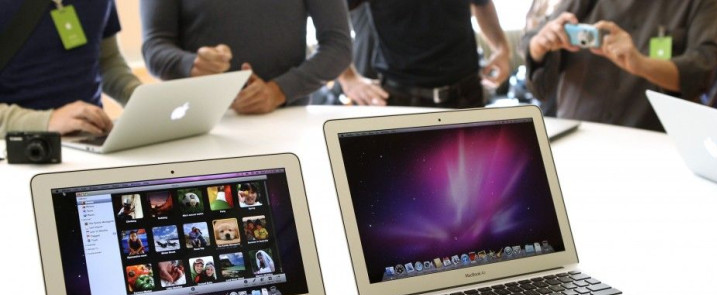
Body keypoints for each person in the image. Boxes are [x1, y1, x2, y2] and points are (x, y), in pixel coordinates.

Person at [522, 0, 717, 130]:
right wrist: (539, 46)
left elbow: (702, 69)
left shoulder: (700, 4)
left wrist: (642, 64)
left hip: (650, 141)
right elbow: (539, 77)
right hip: (579, 133)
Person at [140, 0, 352, 114]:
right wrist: (190, 64)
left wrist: (278, 91)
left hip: (287, 119)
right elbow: (154, 47)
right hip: (201, 123)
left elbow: (338, 46)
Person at [0, 0, 141, 138]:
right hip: (18, 146)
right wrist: (47, 121)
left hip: (90, 140)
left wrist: (138, 95)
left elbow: (107, 61)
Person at [337, 0, 511, 108]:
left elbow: (482, 3)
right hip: (403, 100)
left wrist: (501, 49)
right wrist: (348, 78)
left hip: (467, 94)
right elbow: (330, 15)